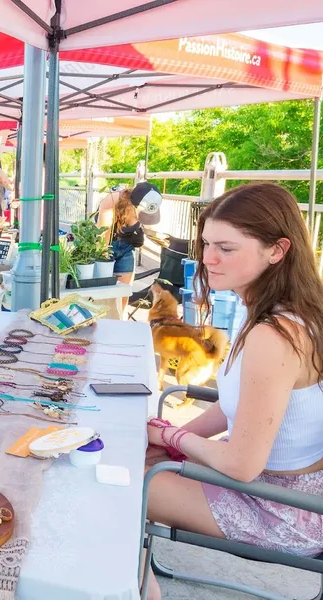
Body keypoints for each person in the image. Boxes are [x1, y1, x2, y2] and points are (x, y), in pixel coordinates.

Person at [143, 182, 323, 599]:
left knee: (117, 481)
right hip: (273, 487)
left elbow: (242, 464)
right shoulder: (271, 308)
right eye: (206, 243)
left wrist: (170, 436)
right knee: (137, 456)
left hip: (283, 509)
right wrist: (173, 445)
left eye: (226, 247)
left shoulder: (274, 334)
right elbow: (232, 406)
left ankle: (139, 588)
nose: (207, 258)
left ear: (277, 250)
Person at [96, 181, 162, 313]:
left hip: (127, 248)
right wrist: (104, 262)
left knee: (124, 293)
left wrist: (165, 241)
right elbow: (102, 237)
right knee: (103, 294)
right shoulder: (112, 201)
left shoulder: (149, 203)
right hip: (108, 244)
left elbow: (149, 228)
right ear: (133, 204)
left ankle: (122, 323)